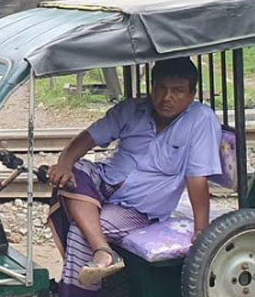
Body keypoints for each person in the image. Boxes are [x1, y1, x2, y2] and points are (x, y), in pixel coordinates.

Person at [46, 57, 222, 296]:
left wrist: (202, 231)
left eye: (177, 91)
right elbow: (88, 137)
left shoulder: (200, 119)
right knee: (73, 173)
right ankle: (103, 252)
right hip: (103, 184)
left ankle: (89, 276)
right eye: (160, 88)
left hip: (138, 209)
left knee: (81, 231)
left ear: (192, 94)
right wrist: (64, 163)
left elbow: (197, 178)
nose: (166, 97)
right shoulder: (133, 109)